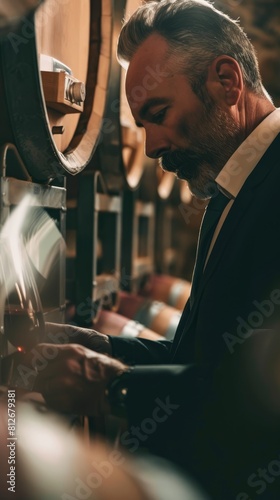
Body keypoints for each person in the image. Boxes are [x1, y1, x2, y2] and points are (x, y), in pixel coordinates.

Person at [10, 0, 280, 498]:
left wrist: (115, 387)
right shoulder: (233, 189)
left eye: (159, 114)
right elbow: (204, 360)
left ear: (227, 80)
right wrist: (104, 346)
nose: (152, 146)